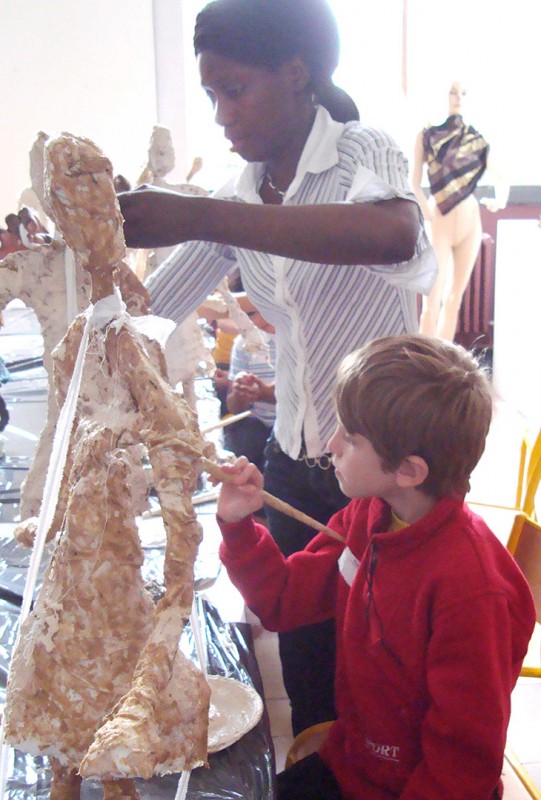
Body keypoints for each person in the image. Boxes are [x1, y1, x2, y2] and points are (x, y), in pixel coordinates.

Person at [119, 0, 436, 735]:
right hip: (298, 461)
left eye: (236, 90)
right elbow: (148, 310)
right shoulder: (239, 195)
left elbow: (392, 236)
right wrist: (70, 259)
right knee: (311, 665)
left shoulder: (363, 154)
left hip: (394, 478)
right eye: (210, 95)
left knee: (394, 677)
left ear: (296, 75)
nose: (223, 114)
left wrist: (200, 215)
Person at [216, 334, 536, 800]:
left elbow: (462, 762)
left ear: (408, 470)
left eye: (350, 436)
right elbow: (283, 601)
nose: (331, 443)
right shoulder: (370, 517)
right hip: (356, 767)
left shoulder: (471, 589)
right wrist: (238, 524)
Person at [412, 80, 508, 341]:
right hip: (438, 223)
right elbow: (413, 183)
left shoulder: (476, 141)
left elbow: (502, 177)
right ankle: (423, 359)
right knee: (430, 303)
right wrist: (425, 211)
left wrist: (500, 199)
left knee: (454, 299)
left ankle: (443, 361)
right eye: (453, 92)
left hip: (470, 222)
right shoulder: (427, 136)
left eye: (464, 93)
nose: (458, 98)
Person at [224, 303, 276, 475]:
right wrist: (240, 393)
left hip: (294, 426)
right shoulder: (245, 343)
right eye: (250, 314)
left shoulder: (300, 340)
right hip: (259, 424)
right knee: (244, 437)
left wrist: (267, 394)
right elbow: (234, 407)